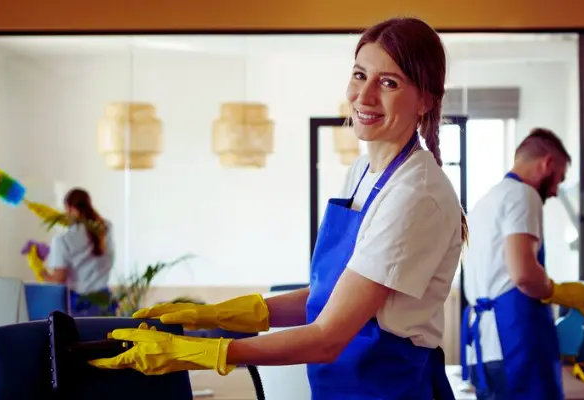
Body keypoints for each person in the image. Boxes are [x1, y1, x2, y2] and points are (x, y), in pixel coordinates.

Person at [90, 17, 466, 399]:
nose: (364, 96)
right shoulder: (364, 172)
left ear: (426, 99)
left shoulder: (414, 195)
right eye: (359, 75)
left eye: (389, 82)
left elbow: (327, 337)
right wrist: (215, 315)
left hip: (387, 389)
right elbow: (328, 299)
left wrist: (203, 352)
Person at [460, 128, 584, 400]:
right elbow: (523, 274)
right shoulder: (524, 195)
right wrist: (558, 292)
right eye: (559, 178)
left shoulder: (485, 201)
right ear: (547, 163)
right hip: (515, 344)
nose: (557, 191)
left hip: (485, 344)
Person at [39, 188, 117, 317]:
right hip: (105, 302)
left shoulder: (63, 240)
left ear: (70, 209)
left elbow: (59, 279)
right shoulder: (106, 228)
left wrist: (41, 271)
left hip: (81, 306)